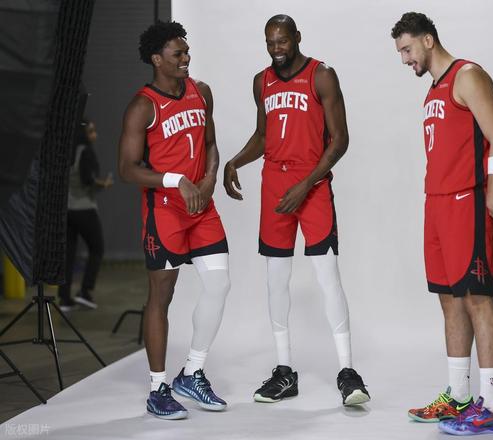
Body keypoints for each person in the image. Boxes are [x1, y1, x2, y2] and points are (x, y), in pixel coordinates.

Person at [223, 14, 370, 406]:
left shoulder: (321, 76)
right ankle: (284, 371)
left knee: (327, 275)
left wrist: (305, 184)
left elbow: (340, 140)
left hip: (313, 184)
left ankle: (348, 371)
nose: (276, 49)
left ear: (297, 38)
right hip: (275, 184)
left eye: (283, 41)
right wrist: (235, 161)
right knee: (276, 279)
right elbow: (264, 135)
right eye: (270, 42)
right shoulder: (262, 81)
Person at [391, 12, 493, 435]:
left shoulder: (468, 76)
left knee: (477, 298)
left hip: (468, 202)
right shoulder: (434, 88)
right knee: (449, 300)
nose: (405, 59)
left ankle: (492, 407)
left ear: (428, 40)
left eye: (407, 49)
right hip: (436, 203)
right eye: (400, 53)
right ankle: (459, 395)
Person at [118, 20, 230, 420]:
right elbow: (127, 169)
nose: (186, 58)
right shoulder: (143, 105)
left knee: (219, 284)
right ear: (156, 59)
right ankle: (157, 389)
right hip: (164, 211)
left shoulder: (201, 92)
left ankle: (192, 372)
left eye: (186, 51)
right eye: (177, 53)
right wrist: (176, 180)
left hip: (201, 208)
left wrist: (210, 178)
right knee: (161, 297)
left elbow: (211, 143)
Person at [58, 119, 112, 312]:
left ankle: (64, 298)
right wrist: (103, 184)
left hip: (67, 209)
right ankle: (85, 291)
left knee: (69, 253)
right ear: (84, 134)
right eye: (91, 131)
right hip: (84, 208)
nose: (95, 135)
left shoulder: (66, 151)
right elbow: (87, 180)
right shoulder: (86, 152)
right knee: (97, 248)